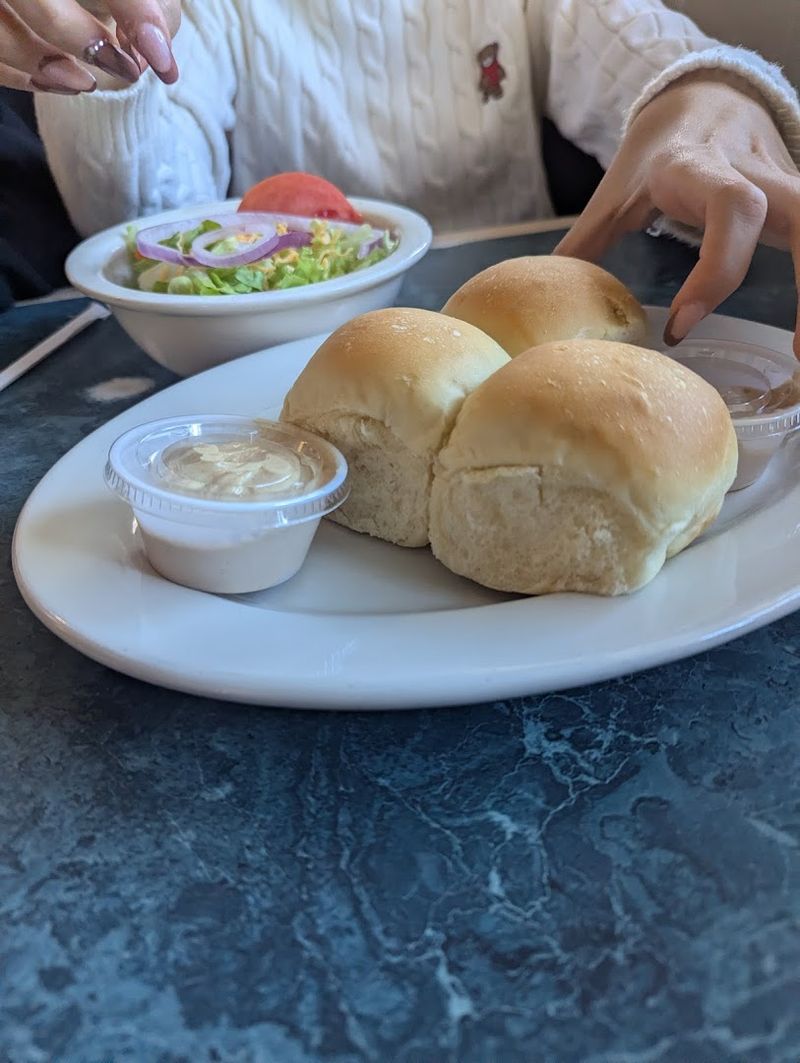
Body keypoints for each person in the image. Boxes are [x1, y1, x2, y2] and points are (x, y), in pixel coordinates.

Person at [2, 0, 800, 350]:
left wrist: (710, 92)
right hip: (267, 366)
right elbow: (147, 220)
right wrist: (112, 65)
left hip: (519, 346)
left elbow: (631, 39)